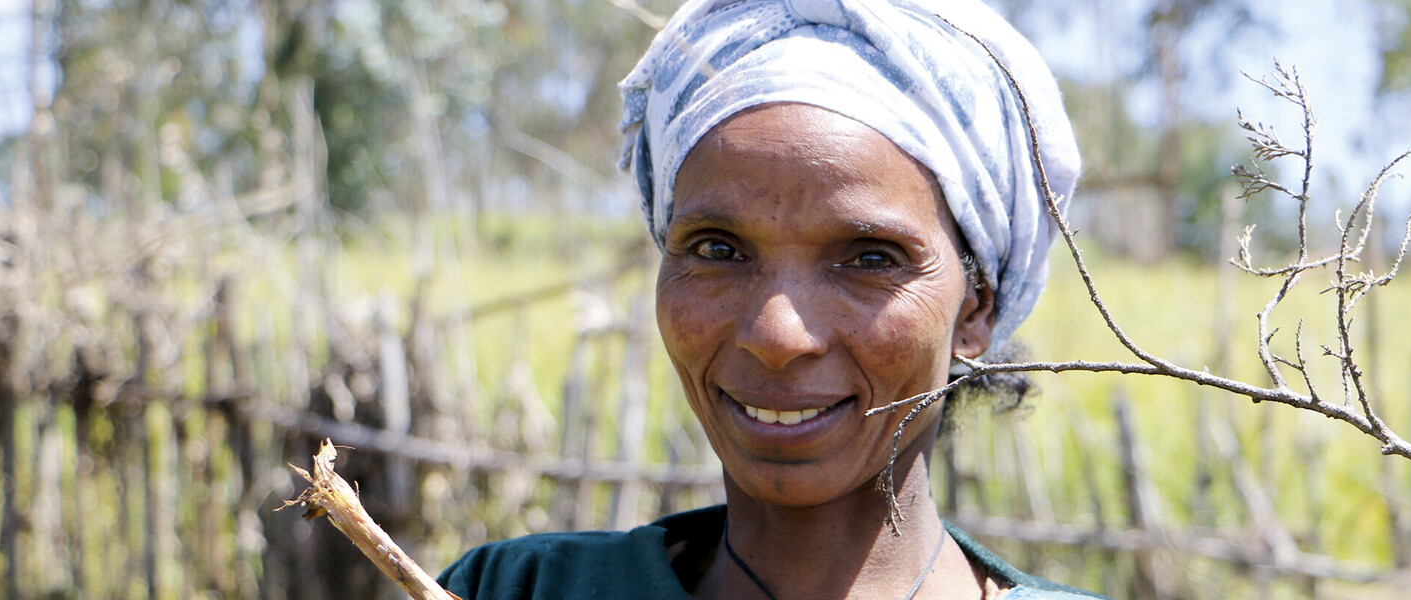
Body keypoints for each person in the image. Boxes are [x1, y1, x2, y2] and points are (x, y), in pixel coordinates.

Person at [437, 0, 1101, 597]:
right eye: (718, 250)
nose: (777, 334)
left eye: (870, 259)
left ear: (974, 308)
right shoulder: (515, 591)